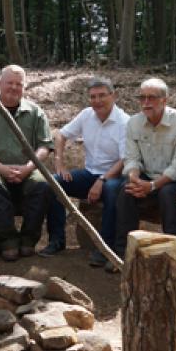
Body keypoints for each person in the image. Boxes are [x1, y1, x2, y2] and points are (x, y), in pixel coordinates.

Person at [47, 77, 129, 265]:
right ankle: (57, 240)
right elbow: (61, 135)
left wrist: (101, 181)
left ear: (113, 96)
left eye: (102, 96)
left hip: (114, 176)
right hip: (89, 174)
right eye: (93, 97)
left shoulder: (124, 123)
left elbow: (125, 160)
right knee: (54, 183)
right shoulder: (86, 115)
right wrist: (59, 163)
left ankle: (106, 249)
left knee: (111, 191)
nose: (97, 101)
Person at [0, 65, 53, 261]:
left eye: (18, 84)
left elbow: (44, 146)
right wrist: (1, 168)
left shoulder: (35, 112)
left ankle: (28, 240)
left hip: (27, 167)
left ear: (24, 87)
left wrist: (28, 167)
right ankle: (8, 241)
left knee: (42, 185)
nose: (13, 87)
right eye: (9, 83)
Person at [114, 78, 176, 273]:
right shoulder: (134, 123)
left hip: (173, 180)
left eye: (152, 98)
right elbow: (131, 158)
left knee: (168, 194)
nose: (146, 102)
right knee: (126, 190)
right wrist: (134, 178)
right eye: (142, 98)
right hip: (145, 176)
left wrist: (154, 186)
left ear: (164, 100)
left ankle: (174, 257)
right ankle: (123, 254)